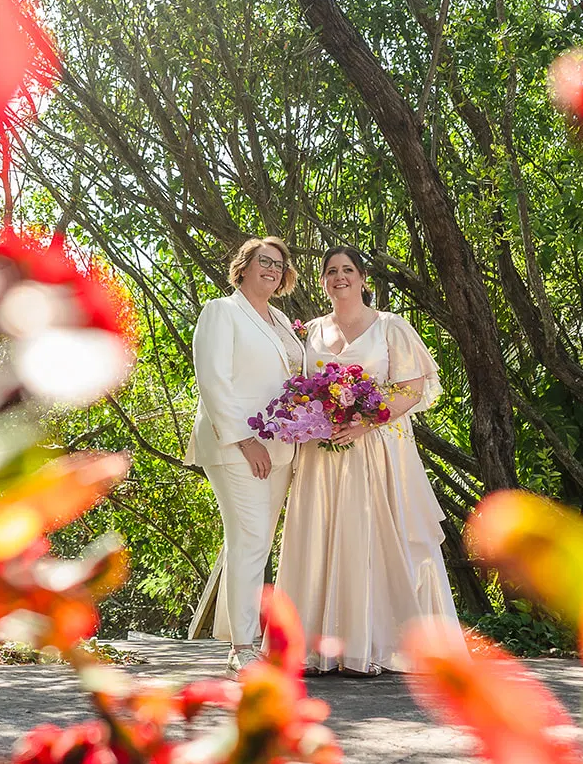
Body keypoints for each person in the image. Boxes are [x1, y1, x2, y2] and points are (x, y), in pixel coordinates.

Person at [272, 246, 462, 675]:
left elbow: (411, 388)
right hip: (323, 453)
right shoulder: (311, 333)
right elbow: (298, 387)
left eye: (348, 270)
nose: (340, 277)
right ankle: (321, 644)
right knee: (324, 535)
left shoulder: (390, 326)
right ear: (321, 281)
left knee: (379, 534)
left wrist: (363, 422)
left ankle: (381, 642)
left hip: (380, 449)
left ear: (362, 279)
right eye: (331, 271)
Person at [186, 236, 307, 675]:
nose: (272, 269)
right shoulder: (222, 312)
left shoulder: (280, 320)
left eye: (279, 264)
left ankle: (241, 636)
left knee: (252, 542)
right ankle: (242, 647)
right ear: (244, 267)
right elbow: (214, 381)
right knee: (251, 539)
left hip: (282, 448)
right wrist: (244, 439)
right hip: (235, 446)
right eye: (264, 262)